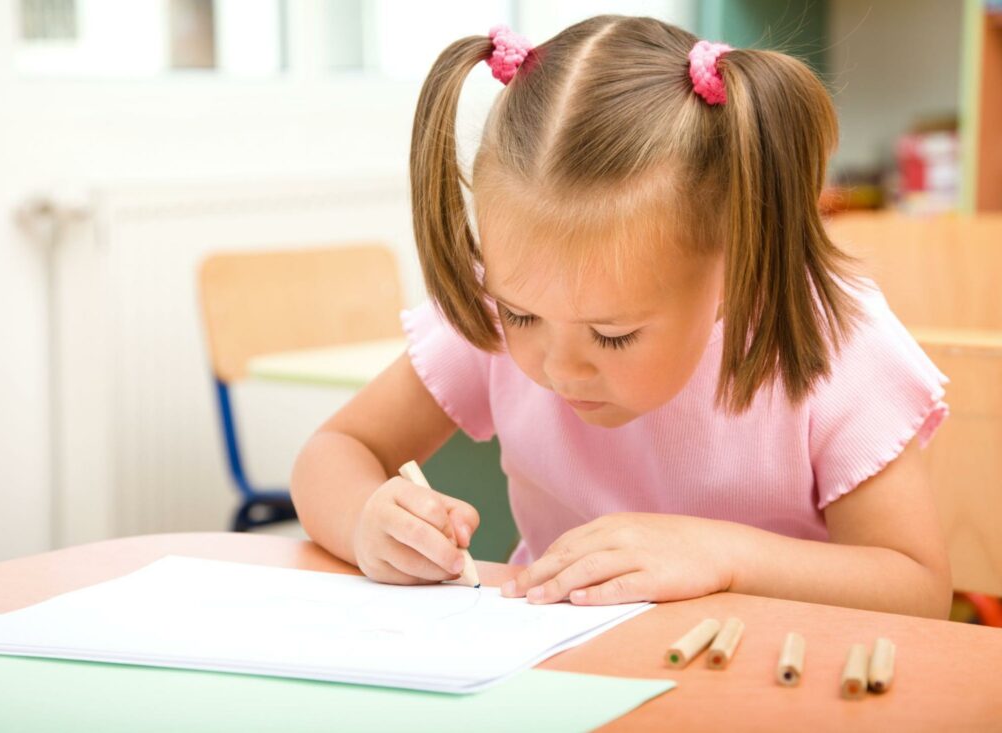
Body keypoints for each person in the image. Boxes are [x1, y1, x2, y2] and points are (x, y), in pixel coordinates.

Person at [291, 16, 952, 618]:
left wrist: (719, 556)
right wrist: (366, 519)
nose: (558, 365)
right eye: (521, 315)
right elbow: (335, 452)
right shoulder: (508, 308)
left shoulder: (831, 339)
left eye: (613, 334)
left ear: (731, 257)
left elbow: (915, 588)